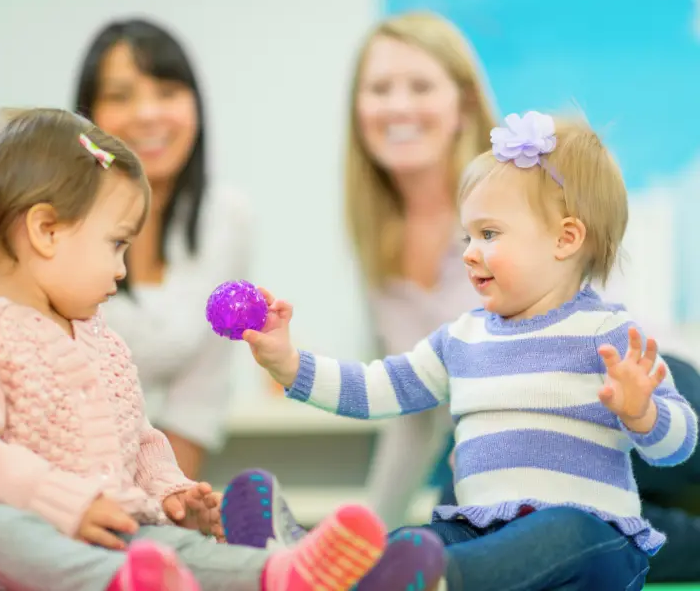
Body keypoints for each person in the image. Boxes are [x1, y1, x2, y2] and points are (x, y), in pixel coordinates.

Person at [0, 107, 397, 591]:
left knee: (164, 543)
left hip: (103, 532)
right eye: (115, 244)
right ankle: (126, 582)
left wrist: (170, 492)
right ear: (46, 231)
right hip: (0, 544)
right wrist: (59, 502)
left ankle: (278, 575)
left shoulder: (101, 342)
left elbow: (138, 440)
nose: (122, 269)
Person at [223, 111, 699, 591]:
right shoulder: (462, 338)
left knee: (566, 529)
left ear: (565, 238)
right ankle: (313, 565)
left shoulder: (610, 334)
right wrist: (288, 363)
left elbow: (677, 445)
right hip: (479, 532)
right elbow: (375, 388)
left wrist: (642, 413)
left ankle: (432, 579)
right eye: (466, 236)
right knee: (421, 536)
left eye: (488, 234)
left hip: (592, 548)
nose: (469, 252)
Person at [0, 18, 247, 480]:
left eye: (166, 91)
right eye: (121, 95)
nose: (148, 113)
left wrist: (163, 504)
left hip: (111, 464)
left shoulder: (227, 220)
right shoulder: (21, 214)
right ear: (90, 117)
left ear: (195, 106)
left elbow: (196, 403)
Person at [341, 11, 496, 529]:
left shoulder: (512, 202)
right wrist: (366, 535)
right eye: (380, 88)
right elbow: (413, 411)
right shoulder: (377, 241)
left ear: (464, 103)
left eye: (421, 86)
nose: (398, 106)